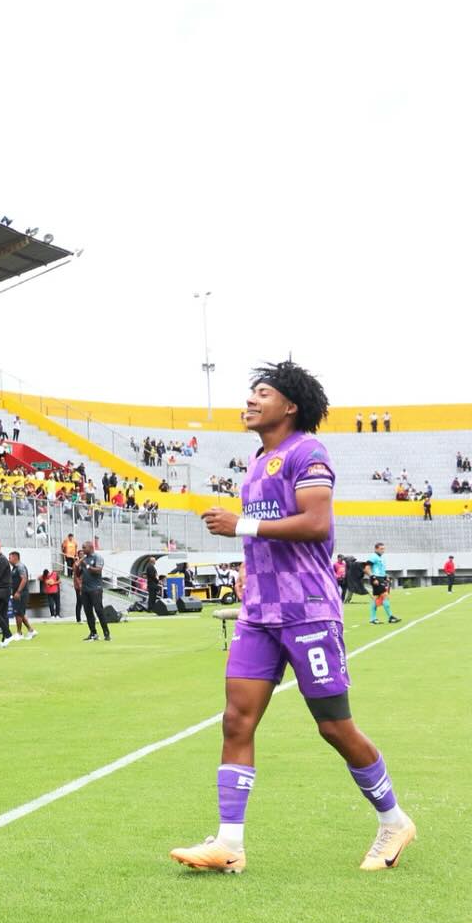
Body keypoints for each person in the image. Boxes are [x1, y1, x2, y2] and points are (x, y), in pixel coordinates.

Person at [174, 361, 415, 874]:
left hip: (307, 611)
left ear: (290, 406)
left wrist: (242, 525)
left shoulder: (308, 452)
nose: (251, 400)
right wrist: (247, 567)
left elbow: (315, 523)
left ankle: (394, 821)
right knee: (236, 720)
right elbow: (265, 534)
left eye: (263, 392)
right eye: (251, 392)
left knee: (334, 727)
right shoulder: (257, 461)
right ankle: (229, 844)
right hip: (258, 613)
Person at [79, 541, 110, 641]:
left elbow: (98, 571)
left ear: (91, 547)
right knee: (88, 611)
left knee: (98, 610)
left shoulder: (97, 557)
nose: (82, 550)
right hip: (85, 589)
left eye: (84, 548)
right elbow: (79, 573)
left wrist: (86, 565)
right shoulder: (84, 559)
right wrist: (77, 566)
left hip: (95, 589)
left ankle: (106, 633)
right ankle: (93, 633)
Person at [367, 542, 399, 625]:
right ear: (376, 549)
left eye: (383, 549)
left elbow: (381, 570)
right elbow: (367, 568)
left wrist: (385, 577)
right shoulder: (373, 557)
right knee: (385, 596)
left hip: (380, 578)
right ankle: (390, 617)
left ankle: (372, 619)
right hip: (376, 579)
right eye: (381, 549)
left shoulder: (382, 557)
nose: (383, 550)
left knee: (376, 598)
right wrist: (373, 578)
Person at [8, 550, 36, 641]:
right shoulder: (15, 567)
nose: (9, 560)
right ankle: (31, 630)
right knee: (20, 613)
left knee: (18, 613)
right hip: (18, 593)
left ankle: (19, 633)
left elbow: (24, 579)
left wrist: (18, 592)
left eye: (10, 557)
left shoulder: (20, 566)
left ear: (15, 557)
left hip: (21, 594)